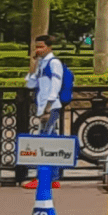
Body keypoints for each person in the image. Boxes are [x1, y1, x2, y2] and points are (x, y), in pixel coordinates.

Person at [23, 35, 67, 189]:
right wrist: (34, 65)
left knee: (44, 142)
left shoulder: (54, 64)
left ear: (49, 47)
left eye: (41, 47)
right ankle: (53, 177)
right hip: (44, 107)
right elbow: (30, 84)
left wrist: (48, 107)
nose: (38, 50)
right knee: (51, 141)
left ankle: (41, 177)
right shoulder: (42, 64)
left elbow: (56, 85)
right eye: (37, 47)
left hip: (50, 107)